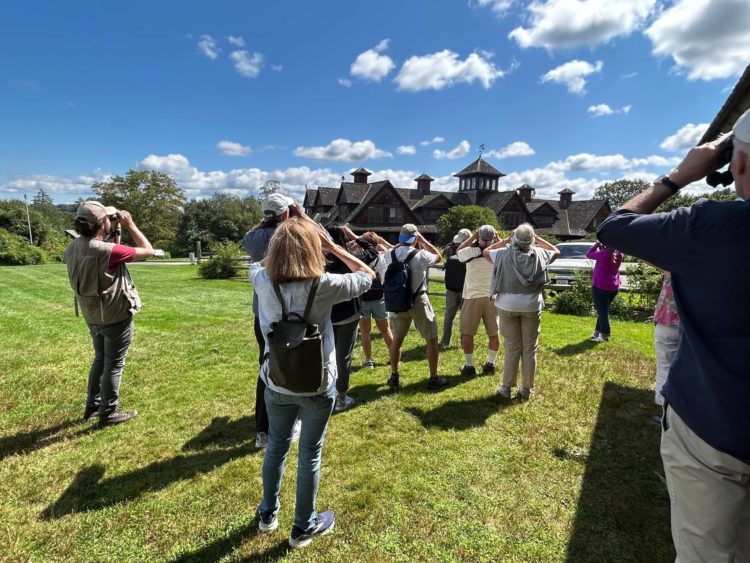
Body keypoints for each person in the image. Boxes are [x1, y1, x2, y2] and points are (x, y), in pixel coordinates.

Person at [597, 108, 750, 561]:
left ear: (737, 163)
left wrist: (678, 177)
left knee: (708, 550)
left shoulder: (711, 227)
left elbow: (615, 227)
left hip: (713, 420)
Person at [249, 215, 374, 549]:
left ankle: (267, 514)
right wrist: (331, 245)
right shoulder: (325, 284)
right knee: (309, 454)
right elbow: (368, 275)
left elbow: (260, 263)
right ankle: (303, 526)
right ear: (314, 248)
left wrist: (281, 241)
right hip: (318, 384)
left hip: (276, 381)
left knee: (276, 446)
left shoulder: (261, 279)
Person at [63, 201, 153, 425]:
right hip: (114, 315)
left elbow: (98, 254)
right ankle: (108, 411)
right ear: (102, 222)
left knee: (100, 359)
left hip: (92, 314)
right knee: (114, 363)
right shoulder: (108, 251)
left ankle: (92, 405)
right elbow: (148, 251)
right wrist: (130, 224)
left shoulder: (72, 247)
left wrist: (112, 230)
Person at [242, 193, 300, 449]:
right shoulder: (291, 234)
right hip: (291, 308)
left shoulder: (252, 237)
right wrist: (297, 214)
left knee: (266, 366)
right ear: (285, 214)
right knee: (296, 365)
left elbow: (258, 231)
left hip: (263, 309)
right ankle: (290, 421)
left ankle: (262, 430)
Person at [484, 223, 559, 400]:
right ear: (532, 240)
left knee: (512, 346)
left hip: (507, 305)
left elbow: (486, 251)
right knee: (530, 348)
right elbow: (556, 250)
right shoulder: (541, 254)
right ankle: (526, 389)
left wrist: (506, 240)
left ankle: (506, 387)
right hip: (532, 305)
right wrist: (537, 239)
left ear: (514, 238)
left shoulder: (501, 254)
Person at [385, 223, 447, 390]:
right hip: (419, 299)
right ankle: (433, 377)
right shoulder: (422, 255)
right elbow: (438, 256)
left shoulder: (388, 255)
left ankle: (394, 375)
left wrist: (402, 243)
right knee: (431, 339)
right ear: (415, 238)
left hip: (398, 302)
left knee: (397, 339)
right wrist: (423, 240)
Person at [325, 226, 374, 412]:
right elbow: (371, 251)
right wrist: (354, 235)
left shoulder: (320, 260)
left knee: (324, 355)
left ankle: (322, 391)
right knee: (343, 357)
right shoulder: (352, 260)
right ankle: (341, 396)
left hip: (326, 314)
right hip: (348, 313)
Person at [456, 225, 500, 376]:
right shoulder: (497, 253)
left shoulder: (470, 252)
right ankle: (490, 364)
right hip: (491, 298)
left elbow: (458, 251)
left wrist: (473, 236)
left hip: (472, 297)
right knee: (494, 334)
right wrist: (498, 239)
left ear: (479, 237)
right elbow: (508, 248)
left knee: (468, 334)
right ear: (494, 237)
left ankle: (469, 366)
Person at [349, 230, 394, 369]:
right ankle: (394, 356)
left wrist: (354, 245)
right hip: (379, 297)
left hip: (362, 298)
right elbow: (391, 249)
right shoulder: (382, 258)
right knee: (385, 330)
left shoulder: (358, 259)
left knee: (365, 332)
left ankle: (368, 360)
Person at [653, 272, 679, 424]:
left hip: (669, 323)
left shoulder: (674, 266)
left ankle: (667, 416)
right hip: (692, 326)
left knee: (665, 367)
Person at [440, 228, 472, 349]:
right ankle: (464, 342)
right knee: (465, 318)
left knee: (449, 316)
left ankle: (445, 341)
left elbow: (446, 250)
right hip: (466, 290)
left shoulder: (449, 250)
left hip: (451, 288)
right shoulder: (471, 252)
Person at [586, 241, 623, 342]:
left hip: (600, 287)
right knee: (602, 311)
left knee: (603, 313)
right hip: (613, 287)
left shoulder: (603, 254)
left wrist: (597, 244)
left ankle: (604, 335)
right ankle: (597, 332)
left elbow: (588, 254)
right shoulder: (619, 254)